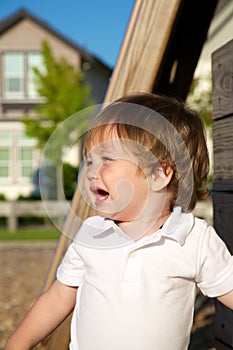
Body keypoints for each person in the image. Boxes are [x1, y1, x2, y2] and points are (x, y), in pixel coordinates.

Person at [5, 92, 233, 350]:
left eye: (107, 160)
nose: (91, 172)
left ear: (159, 173)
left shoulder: (193, 238)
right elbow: (58, 296)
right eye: (89, 161)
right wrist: (18, 344)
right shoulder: (92, 233)